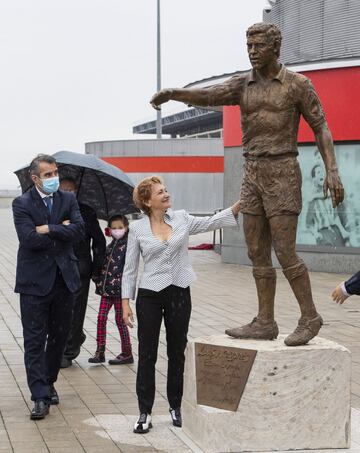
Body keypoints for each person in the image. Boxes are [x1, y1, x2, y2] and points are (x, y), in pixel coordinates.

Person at [150, 22, 344, 347]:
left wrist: (332, 170)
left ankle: (310, 316)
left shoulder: (297, 85)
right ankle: (265, 321)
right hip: (252, 171)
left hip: (282, 170)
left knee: (284, 251)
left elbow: (320, 125)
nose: (253, 52)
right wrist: (174, 93)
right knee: (256, 250)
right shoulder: (243, 84)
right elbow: (208, 94)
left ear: (275, 48)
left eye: (259, 46)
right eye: (249, 46)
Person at [121, 175, 240, 434]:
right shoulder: (137, 229)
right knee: (148, 354)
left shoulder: (182, 218)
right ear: (147, 200)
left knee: (177, 352)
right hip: (150, 294)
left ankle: (176, 406)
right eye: (160, 192)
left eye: (166, 190)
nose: (166, 195)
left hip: (179, 290)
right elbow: (130, 269)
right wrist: (125, 303)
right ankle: (145, 412)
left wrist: (238, 206)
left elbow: (211, 222)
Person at [12, 154, 85, 420]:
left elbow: (78, 231)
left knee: (58, 338)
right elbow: (28, 238)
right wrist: (59, 230)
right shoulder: (21, 203)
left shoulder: (68, 199)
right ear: (35, 178)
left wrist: (48, 229)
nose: (54, 178)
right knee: (34, 341)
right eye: (48, 175)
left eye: (55, 172)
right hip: (33, 283)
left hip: (64, 281)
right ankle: (39, 396)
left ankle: (49, 380)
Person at [59, 176, 106, 368]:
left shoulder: (86, 212)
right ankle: (74, 337)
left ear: (76, 191)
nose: (67, 193)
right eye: (63, 189)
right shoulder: (52, 211)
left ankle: (68, 352)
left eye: (70, 189)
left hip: (80, 268)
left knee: (76, 310)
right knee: (59, 309)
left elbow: (99, 242)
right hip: (58, 268)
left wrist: (97, 271)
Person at [89, 214, 133, 365]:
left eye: (120, 228)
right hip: (106, 291)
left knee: (120, 321)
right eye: (113, 228)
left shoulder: (128, 247)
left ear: (126, 228)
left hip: (120, 292)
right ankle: (100, 352)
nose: (117, 231)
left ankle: (127, 353)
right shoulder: (109, 247)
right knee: (101, 318)